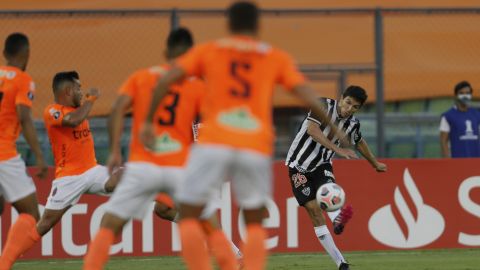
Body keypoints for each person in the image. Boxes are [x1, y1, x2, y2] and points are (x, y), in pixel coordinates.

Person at [140, 2, 346, 270]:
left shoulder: (210, 52)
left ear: (229, 25)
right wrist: (334, 123)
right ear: (257, 25)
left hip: (213, 143)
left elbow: (167, 80)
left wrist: (146, 122)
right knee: (253, 216)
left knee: (190, 212)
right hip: (252, 145)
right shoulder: (273, 56)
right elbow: (305, 93)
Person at [83, 28, 242, 270]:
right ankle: (234, 259)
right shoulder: (197, 86)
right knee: (201, 219)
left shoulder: (141, 77)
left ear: (166, 51)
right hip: (179, 167)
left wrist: (114, 150)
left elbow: (116, 110)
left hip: (144, 164)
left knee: (110, 224)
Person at [0, 71, 122, 270]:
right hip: (68, 178)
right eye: (78, 88)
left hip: (92, 170)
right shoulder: (52, 111)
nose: (82, 92)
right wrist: (91, 99)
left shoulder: (78, 108)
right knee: (44, 224)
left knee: (128, 177)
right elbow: (73, 120)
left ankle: (170, 206)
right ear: (67, 91)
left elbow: (78, 116)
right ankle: (5, 263)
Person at [285, 85, 387, 269]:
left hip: (322, 164)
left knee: (329, 191)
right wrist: (338, 149)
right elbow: (312, 130)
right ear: (341, 98)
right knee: (315, 212)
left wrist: (374, 163)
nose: (349, 109)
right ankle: (340, 260)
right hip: (298, 166)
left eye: (354, 107)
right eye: (347, 103)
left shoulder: (353, 124)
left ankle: (338, 227)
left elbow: (359, 141)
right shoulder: (323, 105)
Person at [0, 33, 48, 270]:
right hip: (4, 154)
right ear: (26, 53)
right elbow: (24, 117)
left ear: (4, 54)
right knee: (31, 212)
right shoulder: (23, 80)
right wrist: (39, 155)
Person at [440, 81, 480, 158]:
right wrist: (447, 162)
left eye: (467, 93)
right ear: (455, 96)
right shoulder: (447, 116)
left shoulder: (477, 115)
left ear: (471, 95)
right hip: (457, 162)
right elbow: (443, 141)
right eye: (461, 93)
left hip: (476, 161)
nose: (465, 96)